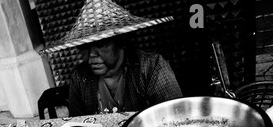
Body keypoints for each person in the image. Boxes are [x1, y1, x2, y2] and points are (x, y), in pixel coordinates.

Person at [41, 0, 183, 116]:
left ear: (121, 42)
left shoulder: (152, 67)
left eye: (101, 44)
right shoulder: (80, 77)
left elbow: (176, 117)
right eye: (85, 47)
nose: (91, 54)